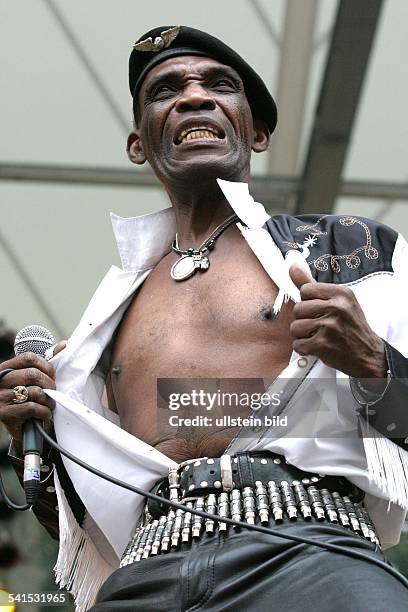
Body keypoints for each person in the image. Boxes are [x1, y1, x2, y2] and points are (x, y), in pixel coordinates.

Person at [1, 25, 407, 612]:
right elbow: (93, 519)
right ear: (139, 143)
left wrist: (374, 362)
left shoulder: (348, 251)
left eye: (219, 84)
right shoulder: (104, 323)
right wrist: (31, 441)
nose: (194, 96)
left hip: (306, 551)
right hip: (146, 574)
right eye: (167, 90)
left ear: (257, 131)